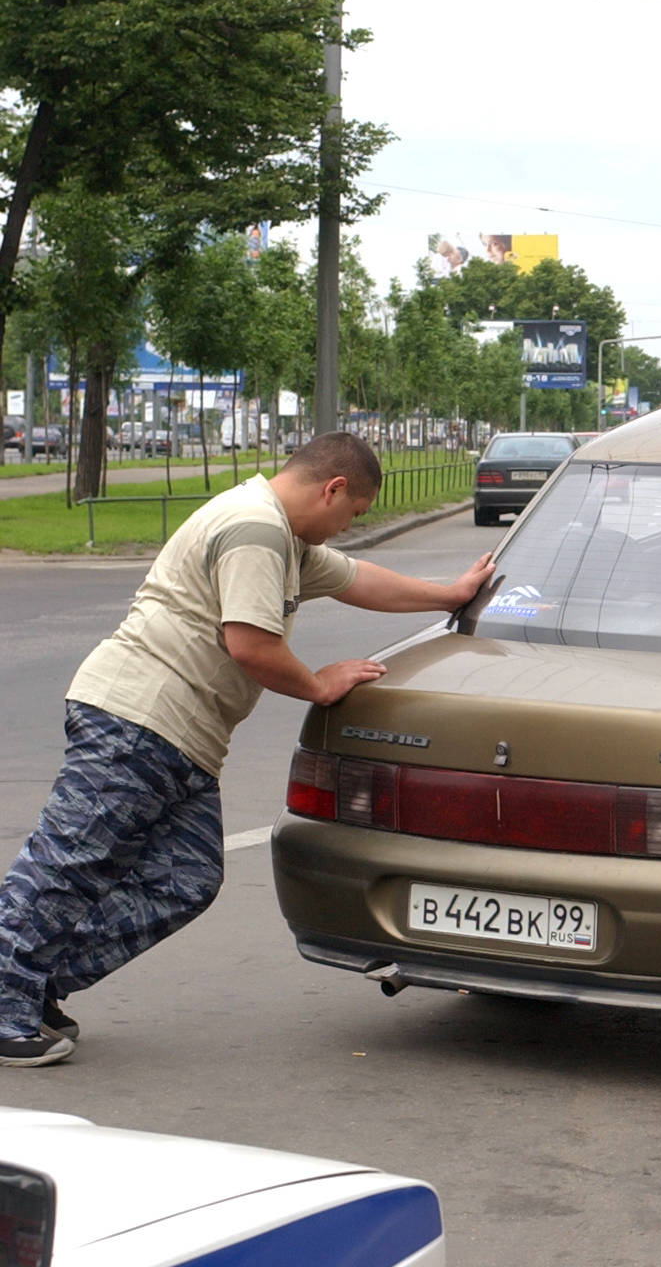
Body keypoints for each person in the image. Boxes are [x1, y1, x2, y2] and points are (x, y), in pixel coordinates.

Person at [0, 433, 495, 1065]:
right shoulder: (255, 529)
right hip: (137, 718)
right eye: (353, 513)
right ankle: (6, 998)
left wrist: (447, 595)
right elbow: (251, 646)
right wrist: (320, 685)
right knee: (70, 861)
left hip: (184, 739)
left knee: (188, 878)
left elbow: (357, 580)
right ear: (333, 489)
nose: (347, 529)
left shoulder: (287, 537)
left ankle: (32, 981)